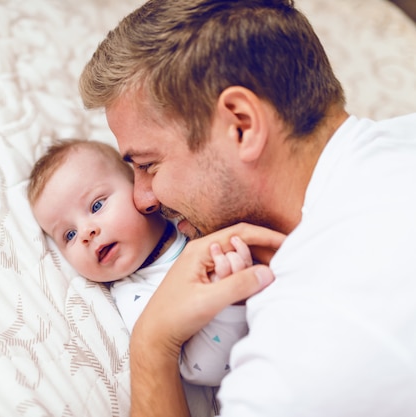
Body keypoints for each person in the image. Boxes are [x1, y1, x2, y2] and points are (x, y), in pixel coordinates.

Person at [78, 0, 416, 416]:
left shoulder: (309, 348)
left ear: (241, 125)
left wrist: (151, 345)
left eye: (148, 165)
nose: (142, 199)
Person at [27, 139, 254, 392]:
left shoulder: (190, 220)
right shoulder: (136, 296)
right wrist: (231, 305)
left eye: (97, 205)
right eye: (69, 235)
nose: (85, 233)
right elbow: (198, 368)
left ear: (138, 188)